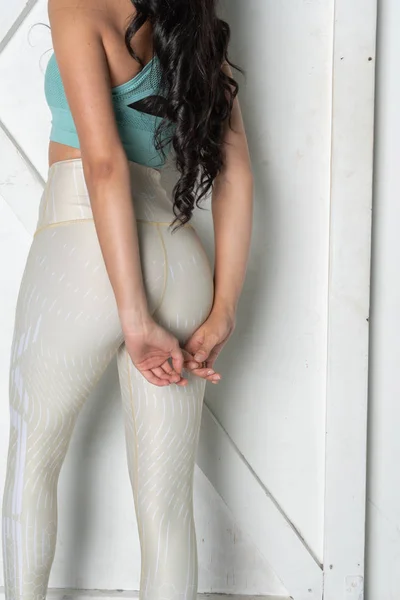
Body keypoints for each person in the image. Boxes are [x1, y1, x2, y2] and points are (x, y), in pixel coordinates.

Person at [1, 0, 253, 599]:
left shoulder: (76, 4)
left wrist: (134, 317)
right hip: (181, 253)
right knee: (166, 508)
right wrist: (223, 309)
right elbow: (238, 174)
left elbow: (105, 164)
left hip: (83, 249)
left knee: (32, 461)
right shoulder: (194, 27)